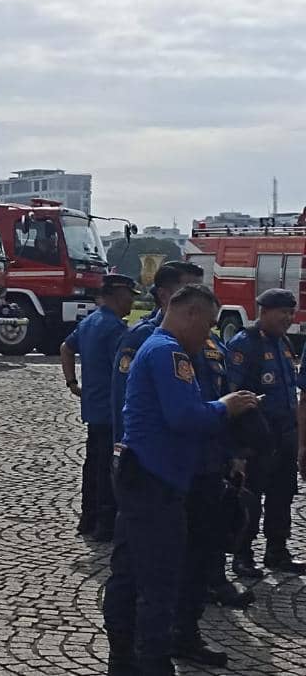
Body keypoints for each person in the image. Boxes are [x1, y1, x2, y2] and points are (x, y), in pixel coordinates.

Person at [101, 284, 258, 676]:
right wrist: (226, 406)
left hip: (146, 474)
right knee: (157, 579)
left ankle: (124, 659)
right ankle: (151, 662)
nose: (208, 334)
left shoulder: (161, 349)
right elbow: (185, 416)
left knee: (131, 571)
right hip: (155, 480)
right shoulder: (168, 352)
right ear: (189, 313)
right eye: (206, 324)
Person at [225, 288, 306, 576]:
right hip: (256, 438)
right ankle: (243, 555)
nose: (287, 318)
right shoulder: (244, 345)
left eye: (290, 312)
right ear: (263, 311)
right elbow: (231, 394)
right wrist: (237, 448)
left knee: (282, 495)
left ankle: (277, 551)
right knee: (250, 497)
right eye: (282, 312)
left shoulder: (283, 342)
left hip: (284, 434)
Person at [170, 326, 236, 668]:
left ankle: (185, 633)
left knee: (202, 552)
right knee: (174, 559)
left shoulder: (209, 343)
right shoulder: (157, 345)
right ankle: (161, 640)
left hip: (210, 465)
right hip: (179, 471)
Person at [60, 273, 138, 542]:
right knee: (109, 467)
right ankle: (106, 524)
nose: (131, 301)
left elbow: (65, 349)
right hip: (112, 410)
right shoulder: (116, 329)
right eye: (129, 295)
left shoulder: (90, 322)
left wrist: (72, 383)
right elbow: (126, 372)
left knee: (92, 464)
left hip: (93, 408)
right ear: (118, 294)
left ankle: (88, 517)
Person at [111, 261, 204, 443]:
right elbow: (124, 403)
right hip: (157, 450)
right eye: (188, 293)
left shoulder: (208, 339)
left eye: (202, 292)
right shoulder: (140, 338)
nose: (199, 300)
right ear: (163, 295)